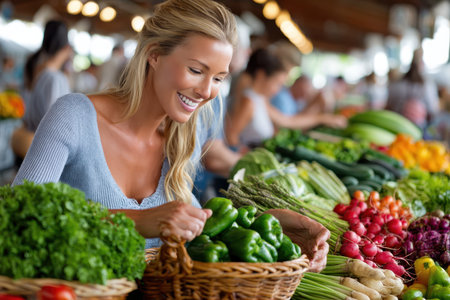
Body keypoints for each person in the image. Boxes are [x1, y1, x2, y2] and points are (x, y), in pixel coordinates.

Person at [13, 0, 328, 272]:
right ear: (154, 55)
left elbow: (203, 224)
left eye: (219, 78)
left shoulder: (182, 139)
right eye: (195, 70)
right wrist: (135, 220)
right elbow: (17, 216)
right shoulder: (74, 116)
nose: (207, 91)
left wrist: (281, 224)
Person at [11, 20, 72, 160]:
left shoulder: (36, 66)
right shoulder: (55, 78)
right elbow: (54, 120)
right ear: (67, 48)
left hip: (26, 137)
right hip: (42, 148)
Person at [386, 48, 439, 129]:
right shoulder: (427, 85)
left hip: (397, 125)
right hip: (418, 127)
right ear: (422, 64)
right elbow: (432, 109)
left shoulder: (397, 84)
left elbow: (389, 105)